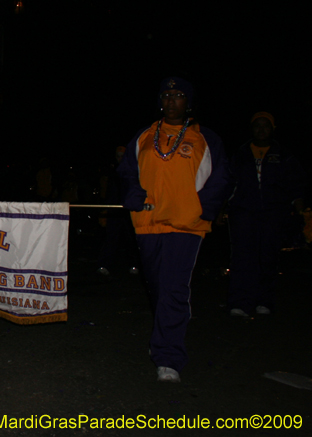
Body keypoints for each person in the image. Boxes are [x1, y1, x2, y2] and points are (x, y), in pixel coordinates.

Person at [118, 77, 230, 383]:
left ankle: (168, 356)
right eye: (166, 95)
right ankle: (168, 327)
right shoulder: (144, 136)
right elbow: (128, 170)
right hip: (148, 222)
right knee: (157, 286)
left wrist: (203, 208)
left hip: (186, 225)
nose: (171, 101)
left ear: (188, 102)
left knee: (173, 288)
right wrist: (132, 193)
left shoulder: (206, 138)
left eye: (178, 95)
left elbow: (220, 177)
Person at [227, 112, 305, 317]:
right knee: (242, 257)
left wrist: (300, 209)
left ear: (273, 128)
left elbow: (294, 185)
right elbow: (228, 183)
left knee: (268, 257)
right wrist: (220, 209)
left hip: (273, 213)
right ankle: (240, 302)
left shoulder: (283, 154)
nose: (261, 130)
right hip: (244, 213)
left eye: (266, 126)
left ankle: (265, 301)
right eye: (257, 126)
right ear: (251, 128)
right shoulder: (241, 153)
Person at [96, 146, 139, 276]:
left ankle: (134, 265)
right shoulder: (112, 171)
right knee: (111, 238)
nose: (120, 158)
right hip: (114, 210)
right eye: (118, 156)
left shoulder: (134, 170)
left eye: (122, 155)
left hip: (128, 210)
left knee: (131, 238)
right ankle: (104, 265)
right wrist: (105, 209)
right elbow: (108, 192)